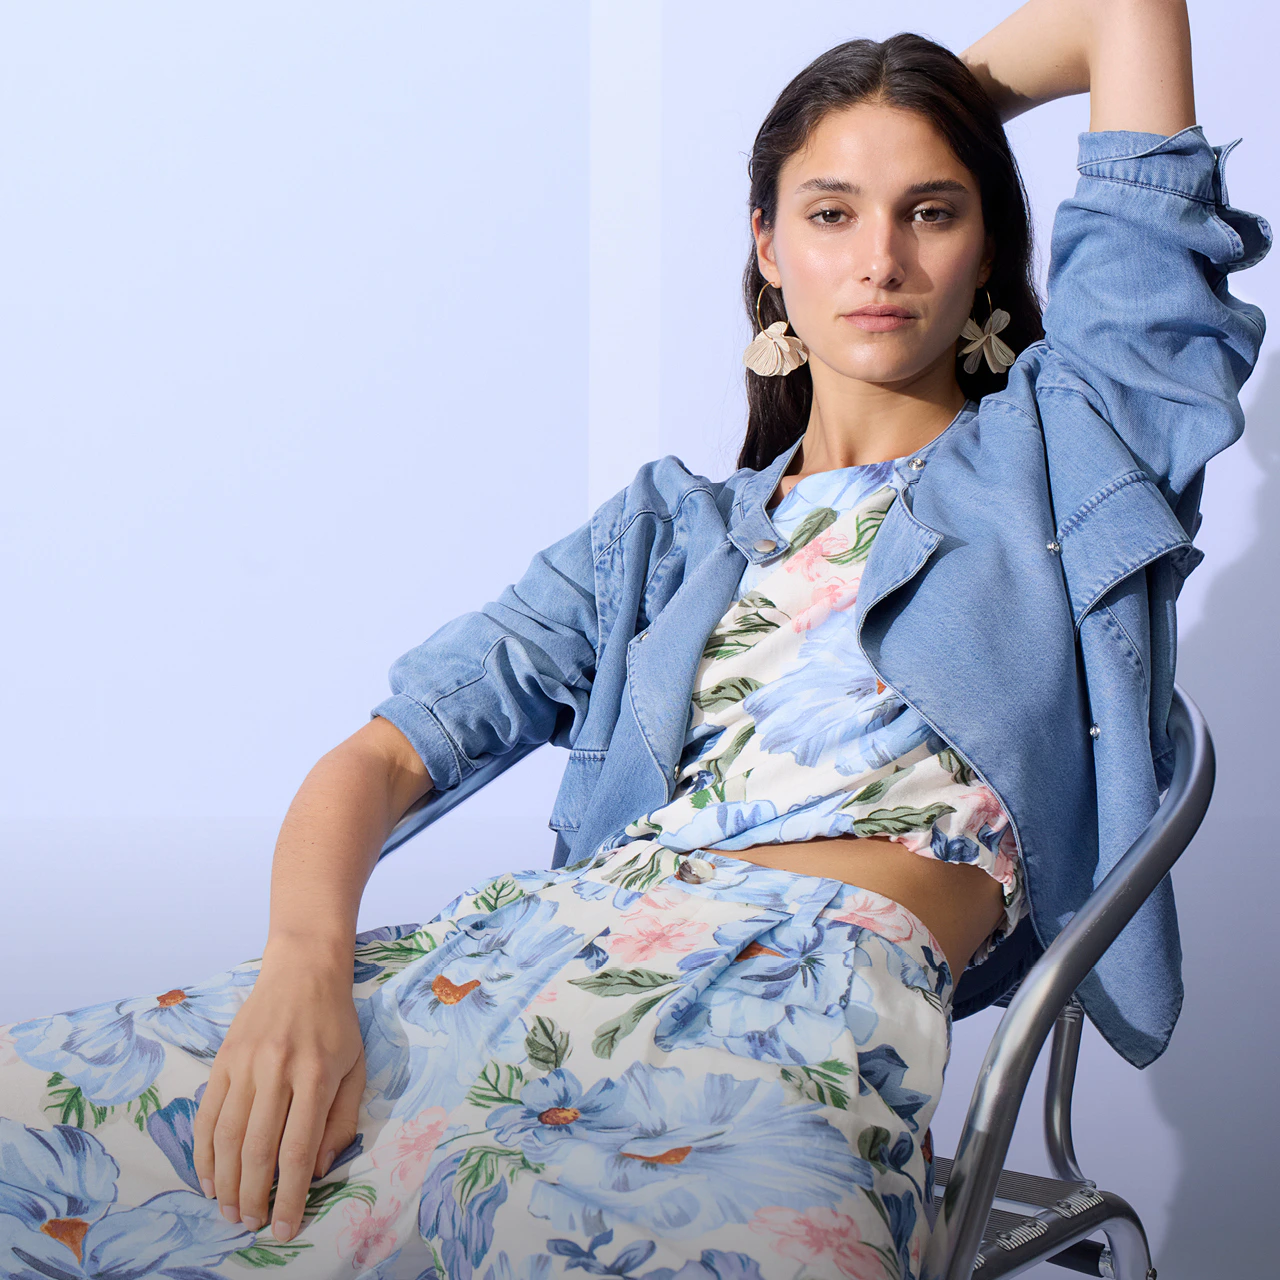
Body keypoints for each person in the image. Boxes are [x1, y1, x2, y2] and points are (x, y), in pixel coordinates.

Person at [0, 2, 1269, 1277]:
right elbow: (381, 759)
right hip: (521, 968)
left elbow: (1125, 13)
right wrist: (300, 972)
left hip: (795, 1005)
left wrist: (925, 105)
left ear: (988, 245)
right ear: (764, 246)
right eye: (829, 213)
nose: (878, 256)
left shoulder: (1068, 453)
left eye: (929, 212)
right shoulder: (664, 534)